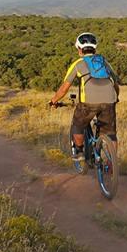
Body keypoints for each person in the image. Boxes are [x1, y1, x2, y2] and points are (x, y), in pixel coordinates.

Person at [49, 32, 121, 162]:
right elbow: (115, 83)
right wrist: (116, 98)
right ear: (94, 48)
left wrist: (54, 100)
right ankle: (113, 162)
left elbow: (64, 88)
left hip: (88, 103)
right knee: (110, 134)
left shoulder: (78, 64)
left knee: (78, 124)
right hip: (109, 101)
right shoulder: (104, 61)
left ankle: (80, 151)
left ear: (79, 49)